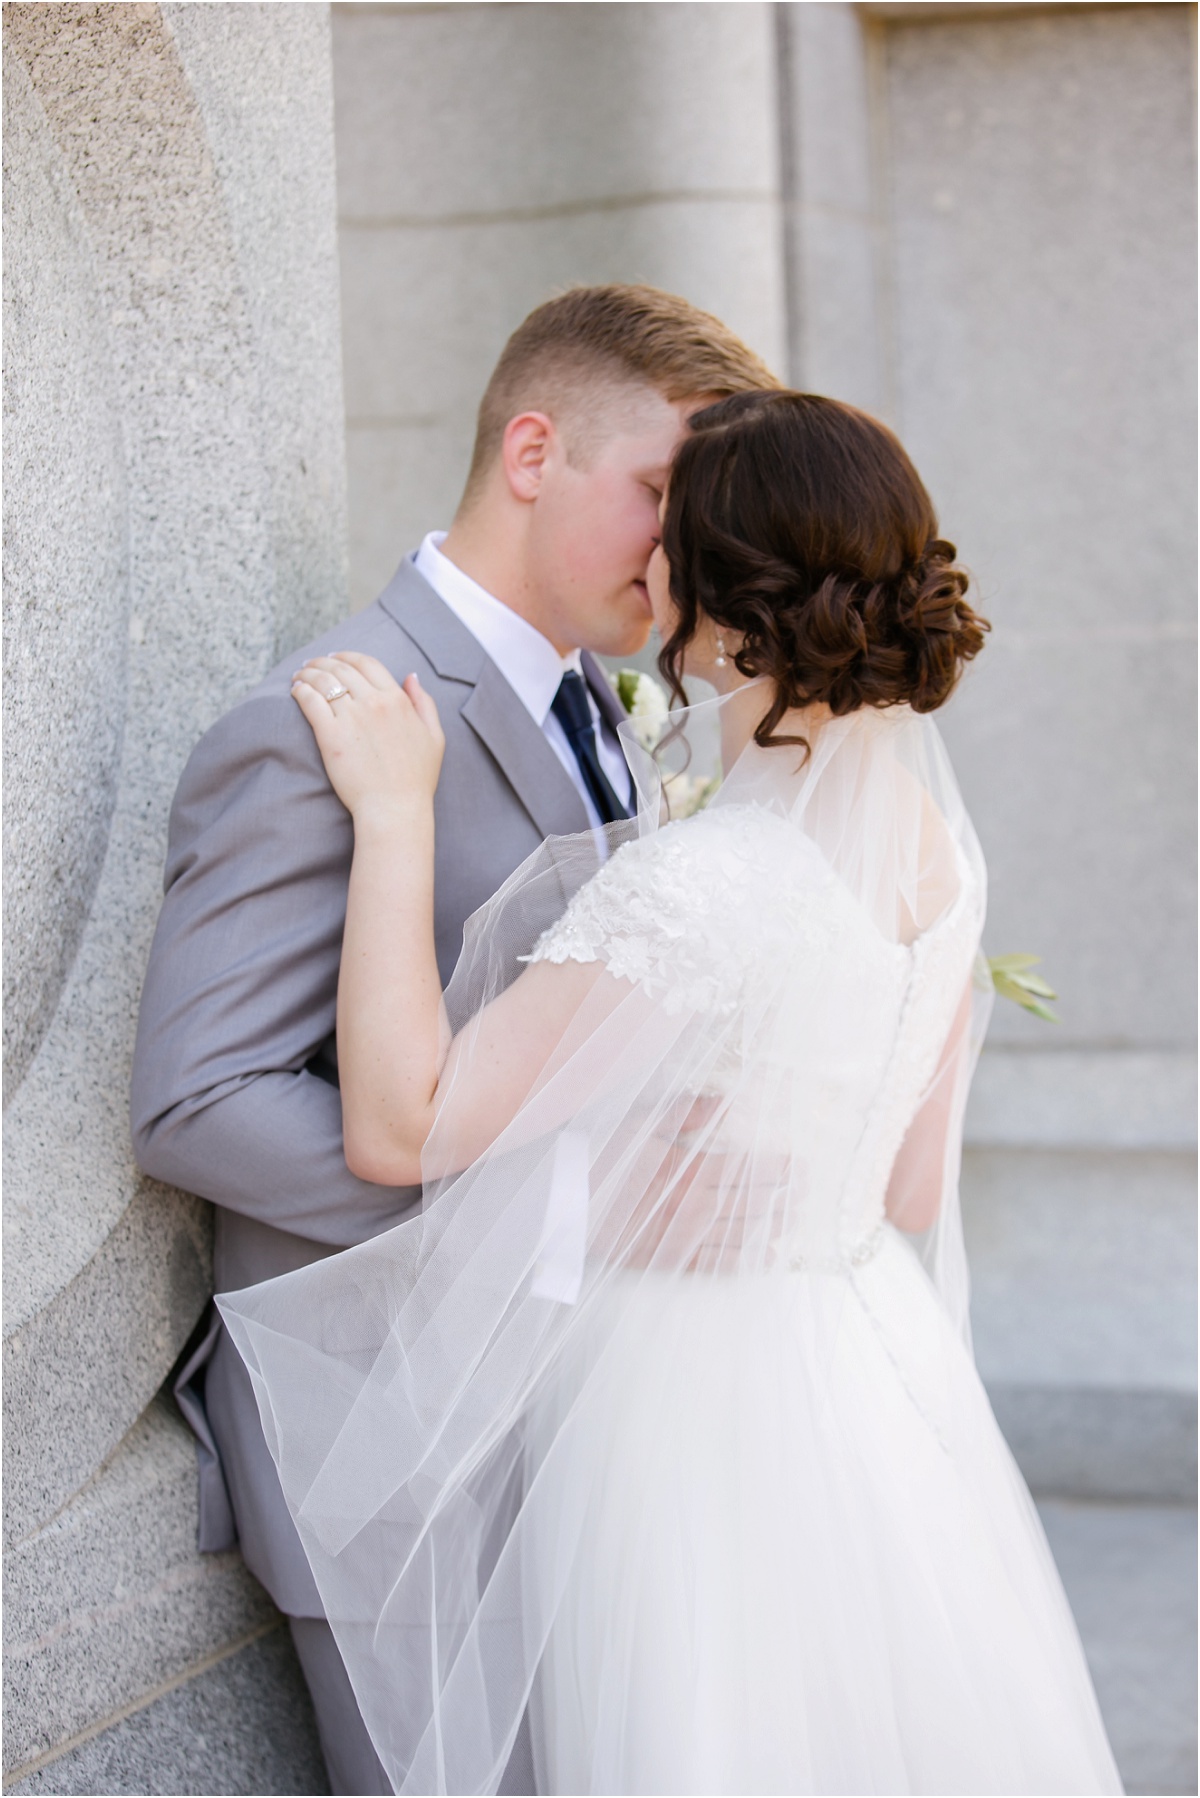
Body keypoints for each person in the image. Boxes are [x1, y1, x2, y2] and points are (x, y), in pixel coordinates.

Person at [218, 391, 1123, 1796]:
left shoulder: (711, 883)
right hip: (870, 1376)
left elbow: (404, 1123)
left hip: (691, 1408)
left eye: (671, 542)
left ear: (715, 596)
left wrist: (396, 817)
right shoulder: (943, 855)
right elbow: (911, 1189)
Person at [130, 286, 779, 1795]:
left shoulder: (610, 710)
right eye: (667, 497)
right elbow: (201, 1100)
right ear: (534, 449)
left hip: (580, 1419)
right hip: (389, 1440)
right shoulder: (316, 725)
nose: (688, 553)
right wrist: (559, 1208)